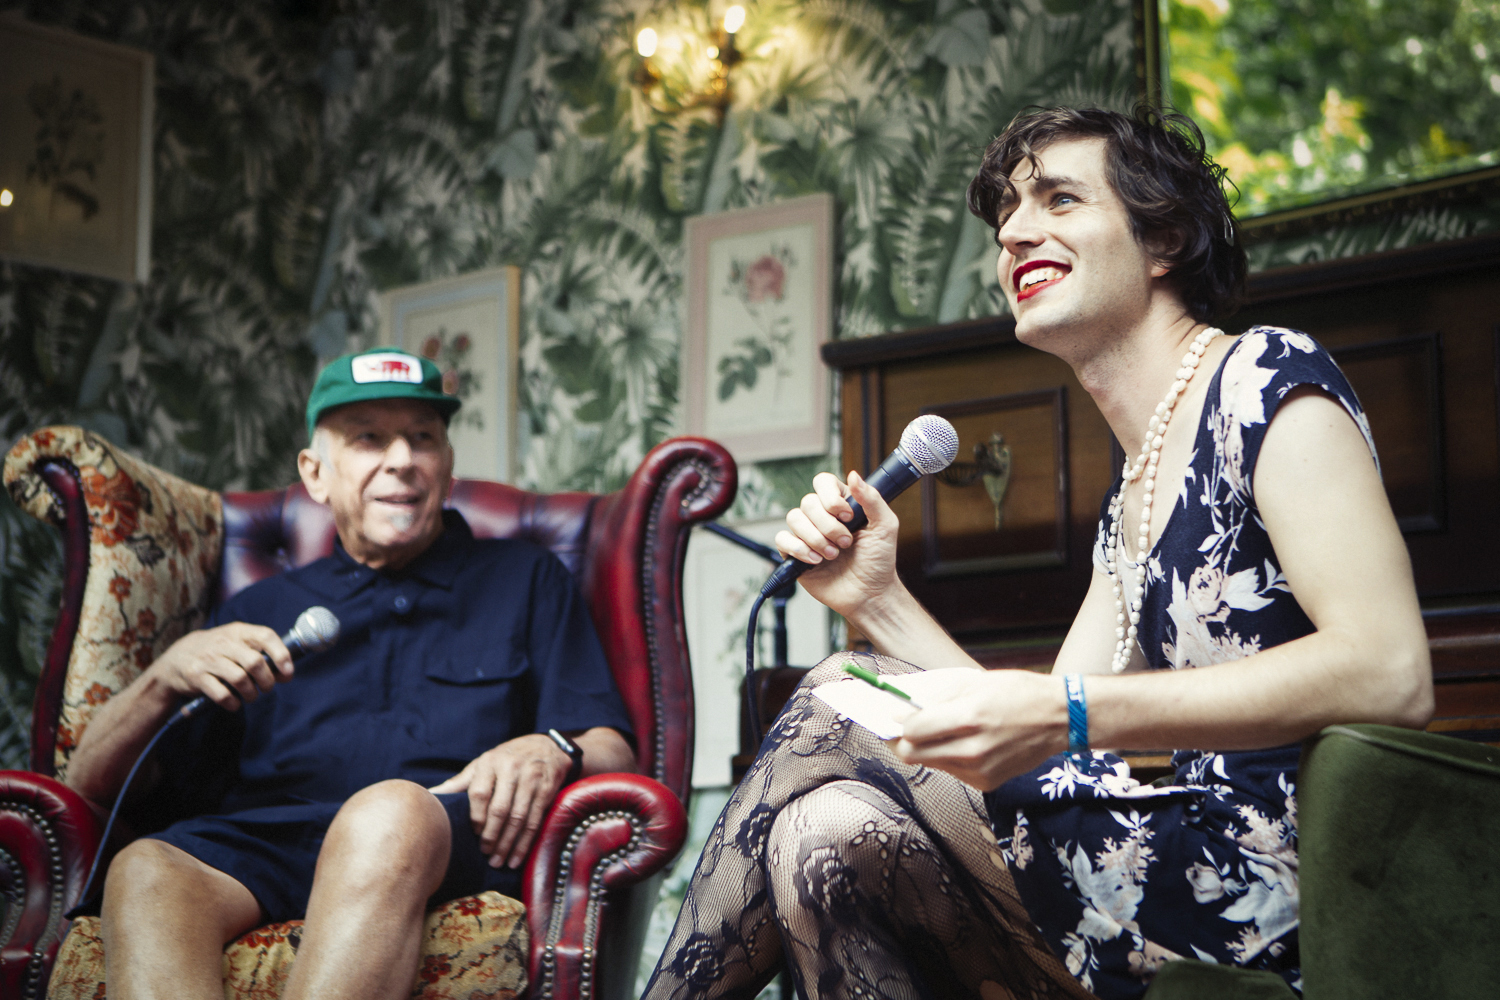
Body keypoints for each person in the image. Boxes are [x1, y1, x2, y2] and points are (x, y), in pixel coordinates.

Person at [642, 106, 1433, 1000]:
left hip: (1266, 884)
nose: (1015, 233)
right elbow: (1033, 741)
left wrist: (1068, 711)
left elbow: (1391, 671)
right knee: (822, 834)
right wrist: (878, 600)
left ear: (1163, 237)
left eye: (1059, 199)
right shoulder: (1131, 490)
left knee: (833, 689)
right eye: (1007, 216)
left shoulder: (1264, 379)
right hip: (1154, 870)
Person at [65, 347, 637, 1000]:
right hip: (271, 844)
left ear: (447, 470)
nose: (402, 459)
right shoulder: (260, 611)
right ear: (316, 473)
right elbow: (90, 788)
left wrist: (553, 746)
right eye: (369, 437)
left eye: (423, 438)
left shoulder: (525, 578)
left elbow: (614, 749)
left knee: (385, 811)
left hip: (436, 838)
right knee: (144, 868)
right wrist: (163, 678)